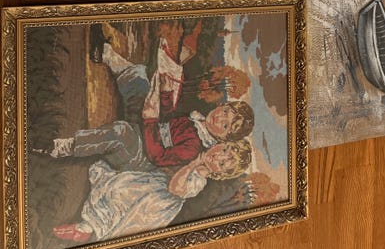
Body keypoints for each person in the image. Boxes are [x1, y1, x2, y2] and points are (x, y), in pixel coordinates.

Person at [41, 30, 254, 170]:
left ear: (223, 138)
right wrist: (165, 94)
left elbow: (157, 156)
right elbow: (167, 118)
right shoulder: (196, 122)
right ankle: (104, 53)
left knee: (120, 133)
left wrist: (150, 118)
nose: (220, 118)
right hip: (145, 128)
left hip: (138, 155)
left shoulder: (194, 147)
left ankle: (60, 147)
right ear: (222, 106)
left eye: (225, 125)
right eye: (225, 112)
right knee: (140, 80)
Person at [52, 139, 252, 243]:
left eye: (223, 163)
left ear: (220, 173)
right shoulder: (199, 151)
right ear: (220, 144)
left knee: (122, 203)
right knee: (119, 187)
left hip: (156, 202)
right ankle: (88, 225)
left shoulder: (200, 180)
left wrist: (192, 165)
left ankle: (87, 228)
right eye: (223, 150)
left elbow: (176, 188)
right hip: (152, 185)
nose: (218, 157)